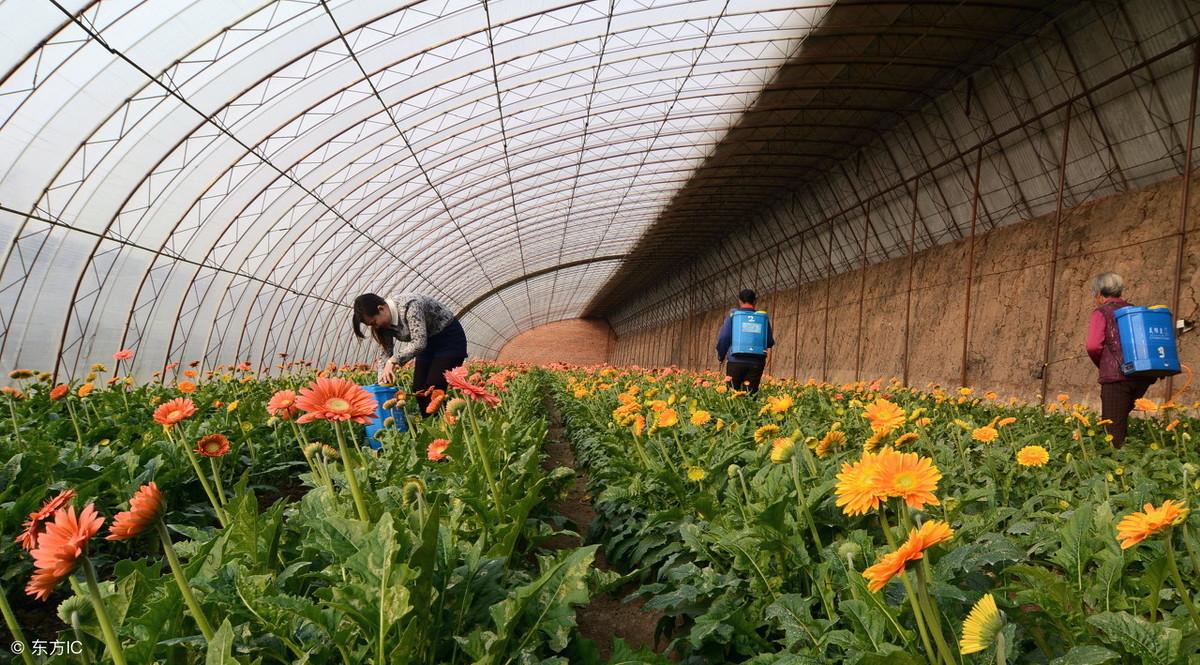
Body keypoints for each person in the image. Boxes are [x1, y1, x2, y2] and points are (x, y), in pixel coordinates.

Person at [352, 293, 467, 415]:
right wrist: (382, 381)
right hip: (427, 344)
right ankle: (429, 424)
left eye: (374, 322)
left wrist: (393, 361)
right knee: (419, 388)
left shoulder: (410, 306)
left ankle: (448, 425)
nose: (376, 326)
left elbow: (419, 343)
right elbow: (385, 352)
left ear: (381, 308)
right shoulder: (384, 325)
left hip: (448, 339)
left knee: (434, 386)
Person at [1085, 272, 1156, 448]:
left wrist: (1103, 364)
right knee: (1120, 420)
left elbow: (1093, 346)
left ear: (1099, 294)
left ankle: (1115, 466)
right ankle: (1128, 459)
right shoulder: (1134, 310)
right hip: (1141, 376)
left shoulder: (1101, 312)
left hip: (1117, 379)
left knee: (1112, 432)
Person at [716, 289, 775, 393]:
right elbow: (769, 341)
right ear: (755, 301)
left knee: (732, 396)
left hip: (736, 361)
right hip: (756, 363)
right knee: (750, 397)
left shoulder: (734, 316)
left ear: (739, 301)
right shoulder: (762, 318)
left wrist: (721, 356)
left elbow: (724, 337)